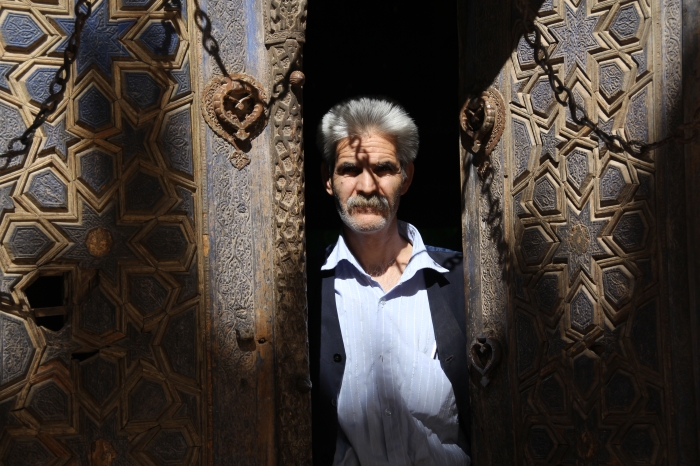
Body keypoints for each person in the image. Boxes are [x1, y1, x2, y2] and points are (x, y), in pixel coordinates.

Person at [307, 96, 471, 466]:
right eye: (350, 170)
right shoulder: (305, 290)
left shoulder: (461, 280)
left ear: (406, 177)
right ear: (328, 180)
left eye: (383, 169)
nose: (367, 186)